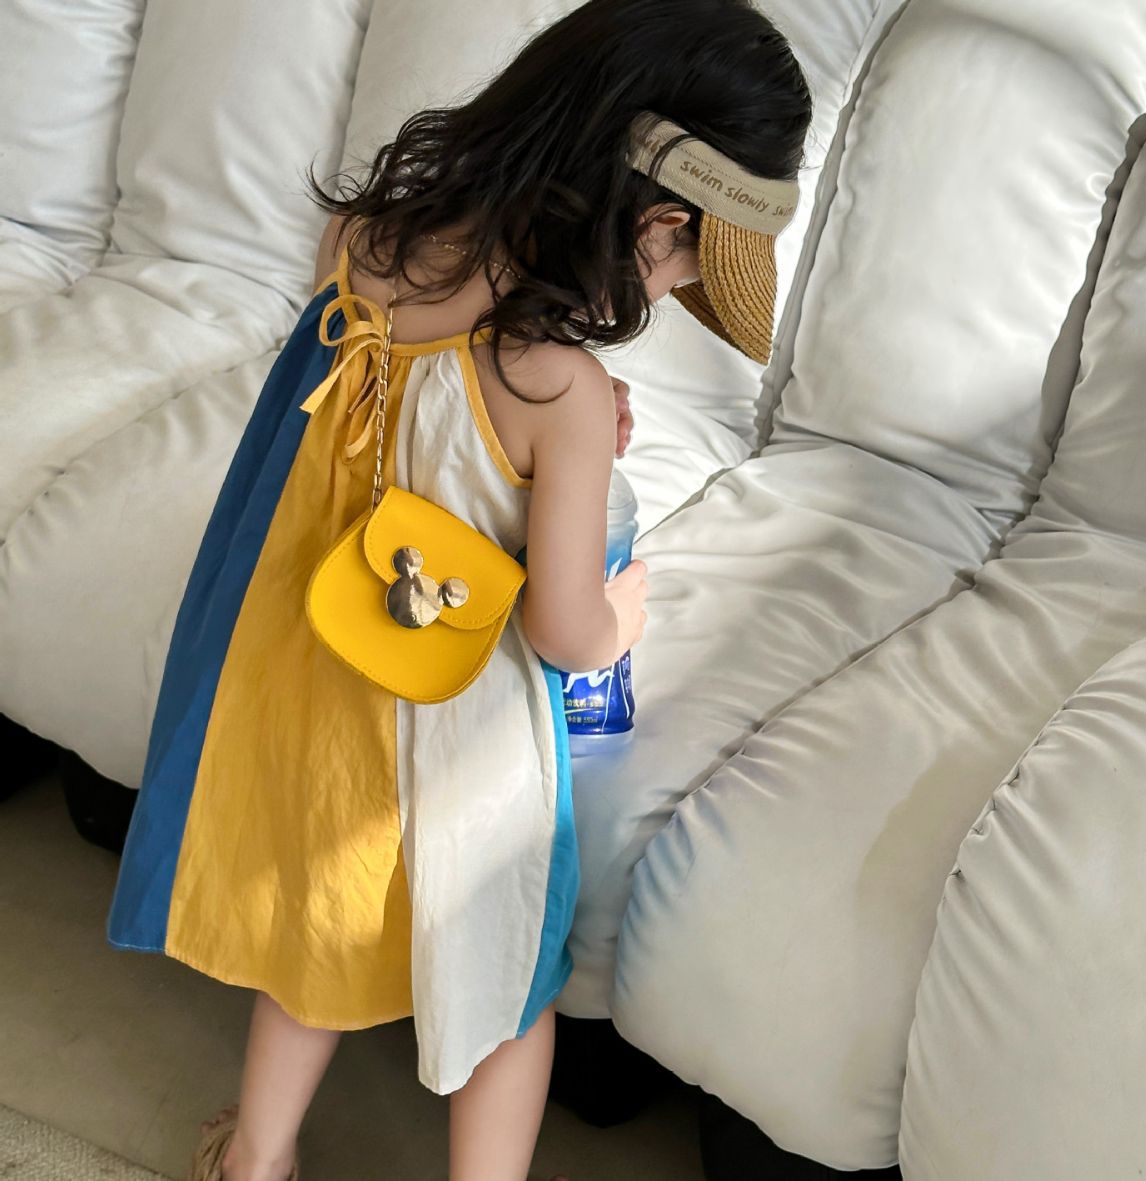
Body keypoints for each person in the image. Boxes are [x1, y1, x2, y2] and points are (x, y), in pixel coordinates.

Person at [104, 0, 812, 1178]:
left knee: (319, 937)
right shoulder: (557, 389)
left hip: (308, 673)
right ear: (658, 222)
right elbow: (563, 627)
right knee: (508, 984)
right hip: (449, 730)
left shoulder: (361, 242)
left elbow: (376, 450)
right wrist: (626, 607)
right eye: (688, 262)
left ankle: (255, 1155)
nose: (672, 287)